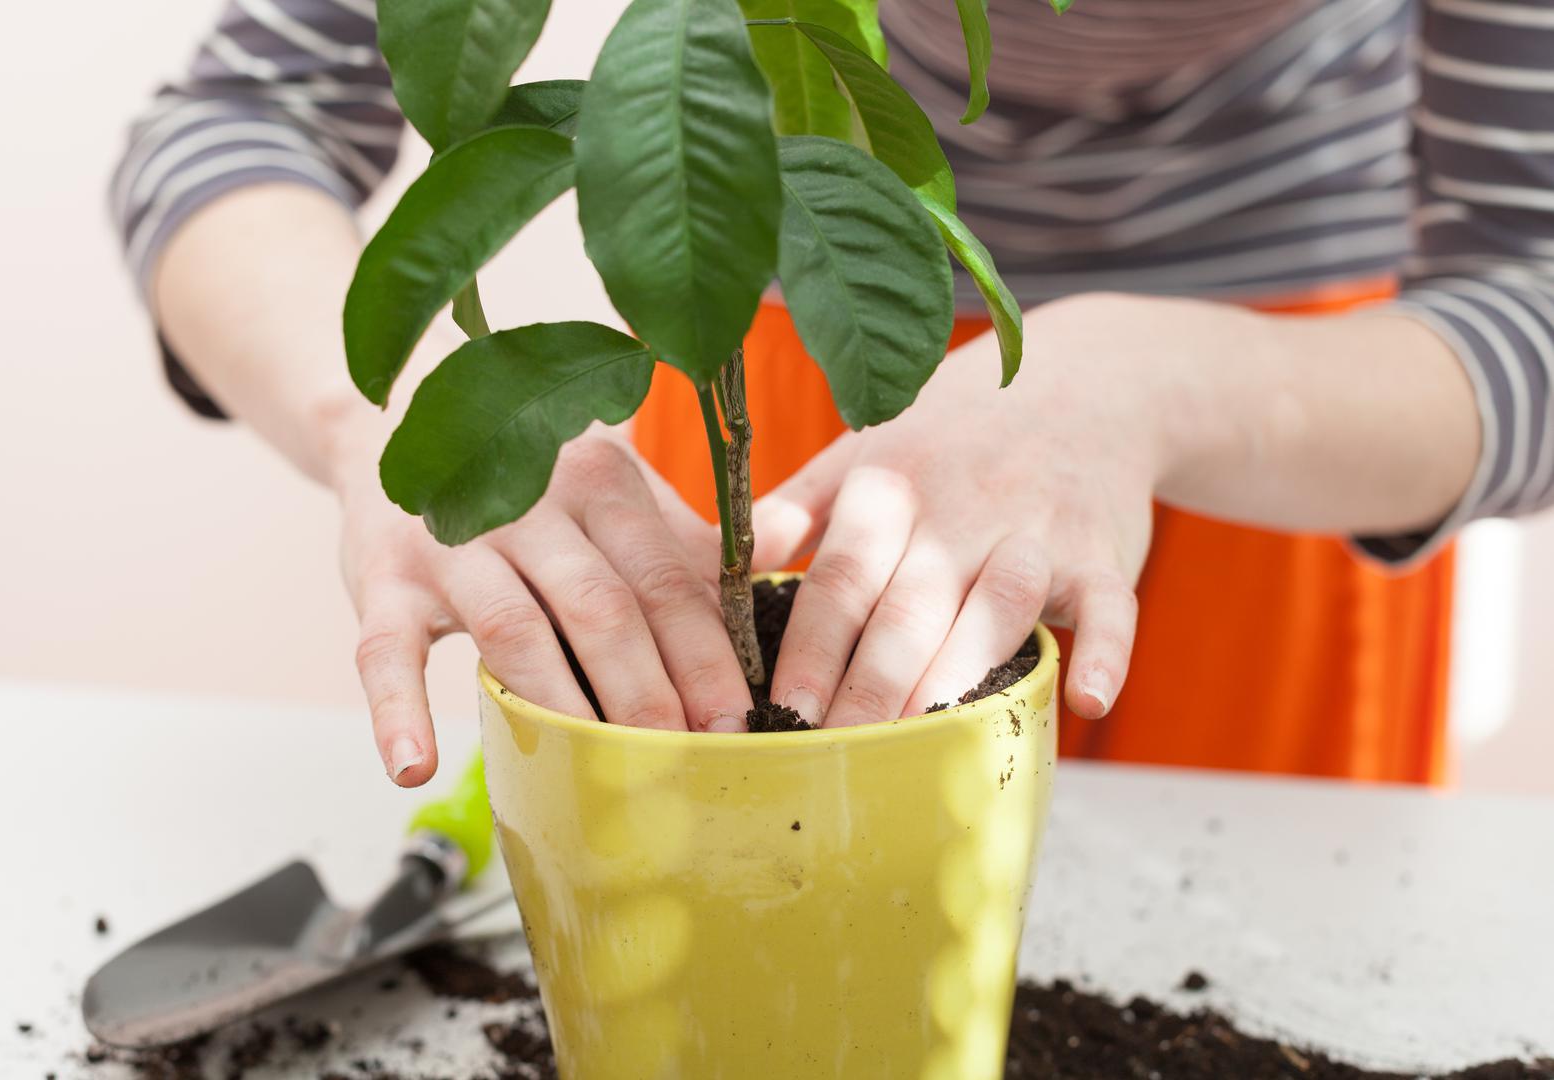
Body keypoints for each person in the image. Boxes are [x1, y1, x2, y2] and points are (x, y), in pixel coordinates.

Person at [112, 0, 1553, 788]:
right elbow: (238, 121)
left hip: (1296, 389)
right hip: (792, 324)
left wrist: (1147, 380)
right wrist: (393, 424)